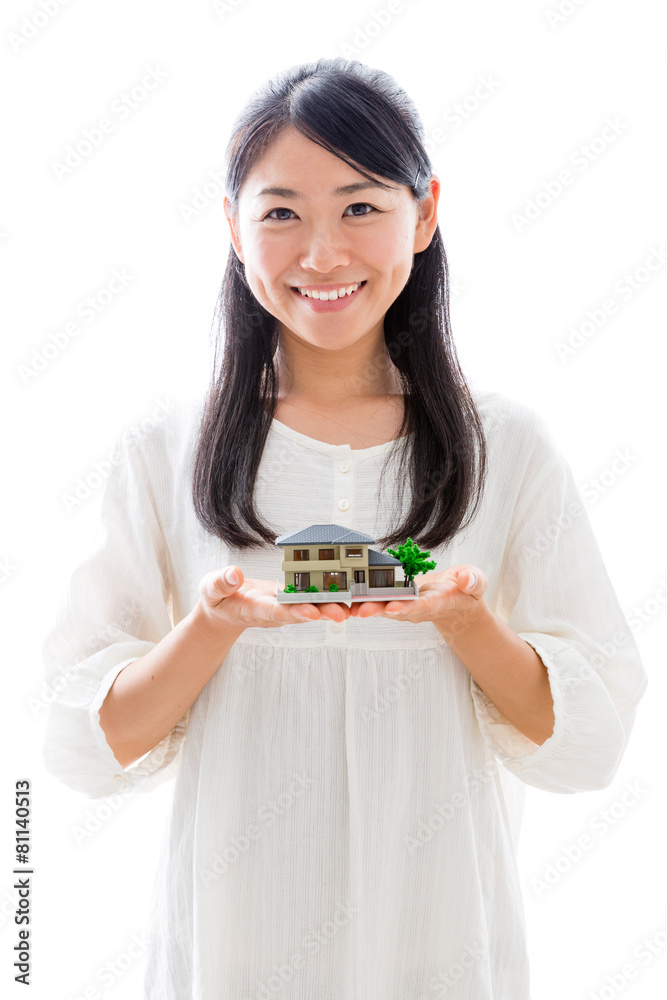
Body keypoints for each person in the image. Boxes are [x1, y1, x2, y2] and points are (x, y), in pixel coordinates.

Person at [42, 56, 648, 999]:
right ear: (233, 230)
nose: (321, 254)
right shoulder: (165, 449)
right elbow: (89, 743)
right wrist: (213, 624)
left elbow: (587, 741)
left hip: (442, 946)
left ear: (426, 211)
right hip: (234, 952)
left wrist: (461, 620)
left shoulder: (506, 447)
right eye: (280, 212)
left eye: (360, 207)